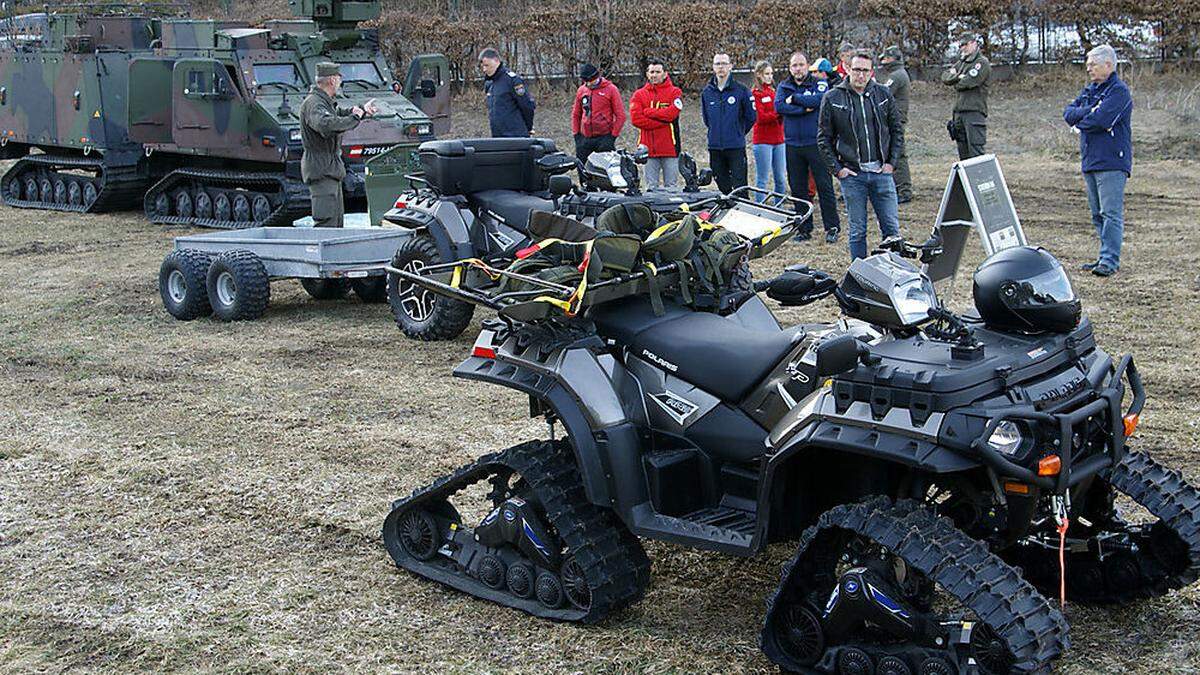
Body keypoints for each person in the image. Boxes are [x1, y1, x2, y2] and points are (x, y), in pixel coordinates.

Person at [817, 51, 904, 260]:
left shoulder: (883, 94)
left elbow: (896, 130)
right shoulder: (833, 97)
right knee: (857, 231)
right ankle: (858, 275)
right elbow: (823, 138)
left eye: (865, 71)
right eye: (856, 70)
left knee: (891, 229)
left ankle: (895, 271)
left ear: (871, 72)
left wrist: (891, 163)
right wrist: (838, 170)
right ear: (848, 69)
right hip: (853, 176)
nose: (861, 75)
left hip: (881, 173)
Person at [1063, 44, 1132, 278]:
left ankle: (1110, 261)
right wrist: (1090, 111)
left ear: (1108, 65)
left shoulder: (1119, 92)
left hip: (1112, 161)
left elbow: (1102, 120)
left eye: (1092, 64)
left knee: (1110, 213)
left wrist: (1084, 119)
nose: (1088, 68)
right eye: (1088, 64)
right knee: (1096, 213)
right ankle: (1104, 256)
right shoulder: (1092, 90)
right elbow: (1068, 113)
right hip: (1091, 160)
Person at [300, 61, 376, 228]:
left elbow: (337, 113)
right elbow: (325, 125)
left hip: (330, 169)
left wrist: (360, 111)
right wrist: (355, 118)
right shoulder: (314, 103)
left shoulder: (324, 101)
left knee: (336, 223)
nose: (340, 82)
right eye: (339, 78)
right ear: (333, 80)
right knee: (326, 223)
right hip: (321, 169)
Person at [775, 51, 839, 242]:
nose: (798, 69)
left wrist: (794, 99)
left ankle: (832, 228)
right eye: (794, 65)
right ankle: (804, 228)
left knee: (824, 186)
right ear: (790, 68)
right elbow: (779, 107)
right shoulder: (784, 86)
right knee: (798, 188)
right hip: (793, 144)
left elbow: (820, 100)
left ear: (807, 66)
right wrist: (804, 108)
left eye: (801, 65)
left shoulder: (818, 82)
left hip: (816, 143)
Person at [701, 52, 755, 194]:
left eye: (724, 63)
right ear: (713, 67)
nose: (721, 67)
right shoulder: (707, 93)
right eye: (717, 64)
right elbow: (707, 119)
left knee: (740, 187)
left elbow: (751, 117)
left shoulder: (741, 90)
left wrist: (737, 131)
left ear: (730, 66)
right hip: (715, 148)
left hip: (735, 147)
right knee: (722, 185)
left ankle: (742, 213)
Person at [630, 59, 683, 190]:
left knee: (671, 187)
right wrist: (663, 121)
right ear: (647, 74)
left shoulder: (675, 92)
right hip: (647, 149)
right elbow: (636, 120)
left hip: (670, 147)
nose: (654, 75)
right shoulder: (639, 94)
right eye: (651, 72)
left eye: (658, 72)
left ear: (665, 74)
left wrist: (648, 112)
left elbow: (672, 114)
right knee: (650, 188)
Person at [941, 32, 991, 160]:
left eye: (965, 44)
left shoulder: (981, 63)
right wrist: (958, 77)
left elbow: (967, 83)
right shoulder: (962, 62)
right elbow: (945, 77)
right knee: (963, 152)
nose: (963, 48)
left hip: (974, 112)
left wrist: (956, 81)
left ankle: (978, 179)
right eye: (961, 45)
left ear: (974, 43)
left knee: (975, 152)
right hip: (959, 112)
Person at [572, 63, 626, 164]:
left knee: (604, 172)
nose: (589, 84)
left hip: (604, 137)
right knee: (583, 170)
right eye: (586, 81)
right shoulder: (582, 91)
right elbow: (576, 114)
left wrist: (612, 137)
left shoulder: (611, 89)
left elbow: (621, 116)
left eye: (590, 81)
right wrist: (576, 136)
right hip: (585, 138)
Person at [878, 45, 912, 204]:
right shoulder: (898, 73)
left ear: (892, 58)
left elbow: (884, 94)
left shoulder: (897, 76)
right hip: (896, 118)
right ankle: (900, 187)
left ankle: (904, 189)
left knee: (898, 154)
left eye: (885, 58)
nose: (883, 62)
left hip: (896, 119)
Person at [750, 60, 786, 200]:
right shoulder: (755, 93)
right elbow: (761, 117)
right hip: (763, 140)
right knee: (763, 178)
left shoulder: (774, 92)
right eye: (767, 74)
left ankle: (779, 206)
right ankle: (760, 207)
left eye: (771, 74)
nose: (770, 77)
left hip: (779, 139)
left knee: (781, 178)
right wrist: (778, 113)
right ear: (759, 75)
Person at [479, 47, 535, 138]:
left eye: (487, 65)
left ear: (496, 61)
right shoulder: (490, 84)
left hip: (515, 137)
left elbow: (527, 106)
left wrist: (528, 128)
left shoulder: (512, 80)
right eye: (483, 66)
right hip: (498, 137)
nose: (484, 70)